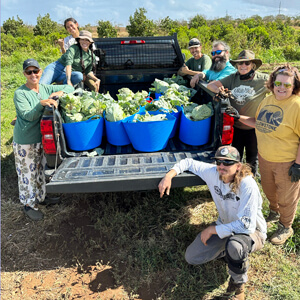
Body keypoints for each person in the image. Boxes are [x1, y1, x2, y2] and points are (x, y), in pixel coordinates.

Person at [158, 145, 266, 300]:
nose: (222, 166)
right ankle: (229, 254)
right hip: (225, 225)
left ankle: (238, 288)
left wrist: (212, 230)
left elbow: (246, 225)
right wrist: (169, 176)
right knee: (192, 257)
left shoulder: (247, 184)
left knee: (235, 245)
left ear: (238, 166)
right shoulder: (213, 173)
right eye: (219, 162)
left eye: (227, 163)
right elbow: (188, 162)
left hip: (252, 232)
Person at [226, 64, 300, 245]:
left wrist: (298, 164)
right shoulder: (268, 100)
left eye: (287, 85)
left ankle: (286, 225)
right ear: (272, 83)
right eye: (278, 83)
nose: (281, 88)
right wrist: (238, 117)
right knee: (268, 189)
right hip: (265, 157)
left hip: (286, 161)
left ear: (294, 86)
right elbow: (257, 121)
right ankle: (274, 213)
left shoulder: (296, 106)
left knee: (286, 197)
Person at [13, 59, 74, 221]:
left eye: (36, 71)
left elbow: (69, 87)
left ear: (40, 72)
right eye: (29, 72)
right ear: (24, 74)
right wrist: (41, 103)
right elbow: (28, 115)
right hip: (25, 140)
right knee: (27, 173)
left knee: (40, 168)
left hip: (41, 138)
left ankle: (41, 197)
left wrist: (61, 93)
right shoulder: (20, 93)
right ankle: (28, 204)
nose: (33, 75)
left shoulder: (46, 88)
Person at [207, 50, 269, 176]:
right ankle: (236, 179)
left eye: (246, 63)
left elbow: (282, 86)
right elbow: (211, 85)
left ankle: (251, 179)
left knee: (252, 156)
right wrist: (219, 91)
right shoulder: (232, 78)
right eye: (240, 63)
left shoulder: (263, 79)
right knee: (236, 155)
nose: (243, 66)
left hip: (253, 126)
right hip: (236, 125)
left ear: (253, 65)